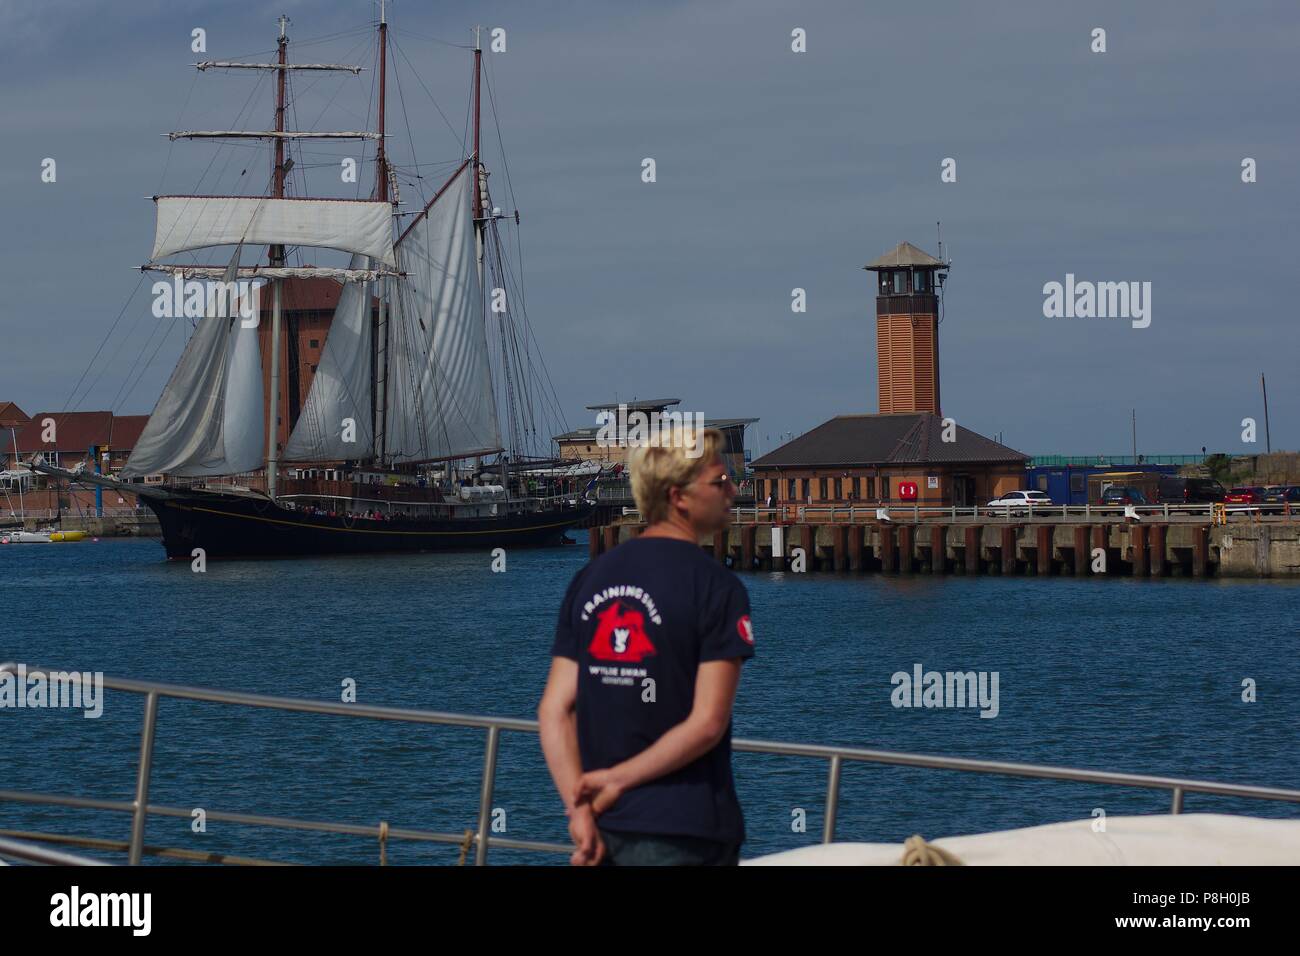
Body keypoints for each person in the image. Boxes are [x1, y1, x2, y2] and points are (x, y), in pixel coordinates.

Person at [538, 426, 755, 866]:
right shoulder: (717, 587)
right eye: (719, 482)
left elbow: (554, 710)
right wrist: (617, 780)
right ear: (679, 497)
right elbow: (708, 723)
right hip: (685, 829)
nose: (733, 489)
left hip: (602, 828)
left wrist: (579, 809)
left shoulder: (590, 578)